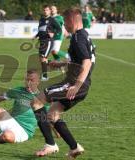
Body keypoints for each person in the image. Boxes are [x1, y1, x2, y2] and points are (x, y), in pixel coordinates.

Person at [31, 7, 95, 159]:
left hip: (74, 83)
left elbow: (86, 63)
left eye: (65, 22)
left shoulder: (78, 38)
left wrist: (77, 85)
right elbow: (76, 61)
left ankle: (50, 144)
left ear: (73, 20)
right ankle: (74, 148)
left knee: (36, 102)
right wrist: (59, 64)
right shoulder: (82, 35)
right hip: (81, 85)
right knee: (53, 114)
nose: (64, 26)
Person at [34, 5, 61, 81]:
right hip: (42, 41)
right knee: (41, 59)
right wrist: (36, 36)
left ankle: (45, 77)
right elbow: (40, 30)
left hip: (48, 41)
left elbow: (59, 29)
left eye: (47, 10)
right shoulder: (41, 20)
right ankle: (57, 65)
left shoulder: (52, 20)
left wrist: (53, 33)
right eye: (44, 10)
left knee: (43, 58)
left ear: (49, 11)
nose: (45, 11)